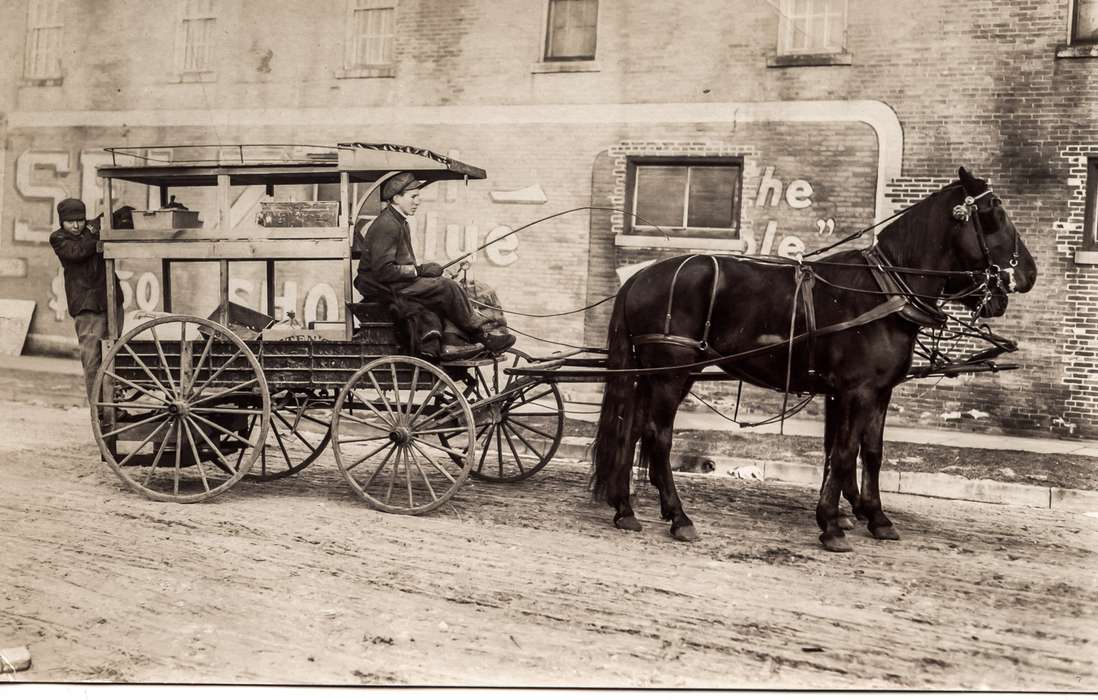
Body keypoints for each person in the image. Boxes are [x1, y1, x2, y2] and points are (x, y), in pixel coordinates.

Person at [354, 172, 515, 358]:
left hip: (392, 283)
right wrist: (421, 271)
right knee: (447, 287)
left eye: (418, 196)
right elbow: (384, 271)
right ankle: (482, 334)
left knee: (442, 282)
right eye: (413, 197)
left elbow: (399, 266)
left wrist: (426, 272)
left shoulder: (397, 221)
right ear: (396, 198)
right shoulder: (388, 225)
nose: (418, 201)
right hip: (383, 287)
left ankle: (453, 341)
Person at [49, 198, 123, 405]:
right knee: (92, 362)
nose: (76, 225)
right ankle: (99, 412)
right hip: (86, 307)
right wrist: (94, 229)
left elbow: (116, 220)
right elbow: (79, 251)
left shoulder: (92, 228)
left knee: (116, 356)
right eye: (70, 221)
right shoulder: (58, 238)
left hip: (111, 301)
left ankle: (115, 406)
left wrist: (119, 215)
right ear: (61, 222)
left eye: (80, 220)